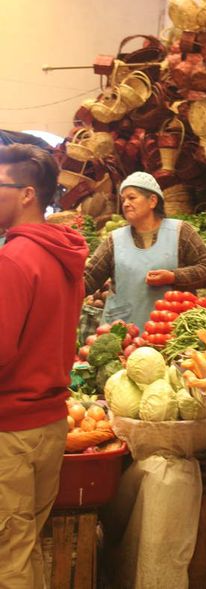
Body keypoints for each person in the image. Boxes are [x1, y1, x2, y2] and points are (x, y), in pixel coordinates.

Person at [0, 143, 88, 588]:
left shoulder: (14, 260)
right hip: (49, 425)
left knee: (7, 560)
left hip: (10, 430)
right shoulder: (63, 255)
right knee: (25, 544)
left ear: (27, 194)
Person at [85, 171, 206, 331]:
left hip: (169, 332)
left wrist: (174, 276)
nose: (125, 204)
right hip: (123, 335)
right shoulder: (114, 240)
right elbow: (89, 279)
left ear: (152, 201)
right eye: (123, 199)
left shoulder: (181, 232)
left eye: (132, 197)